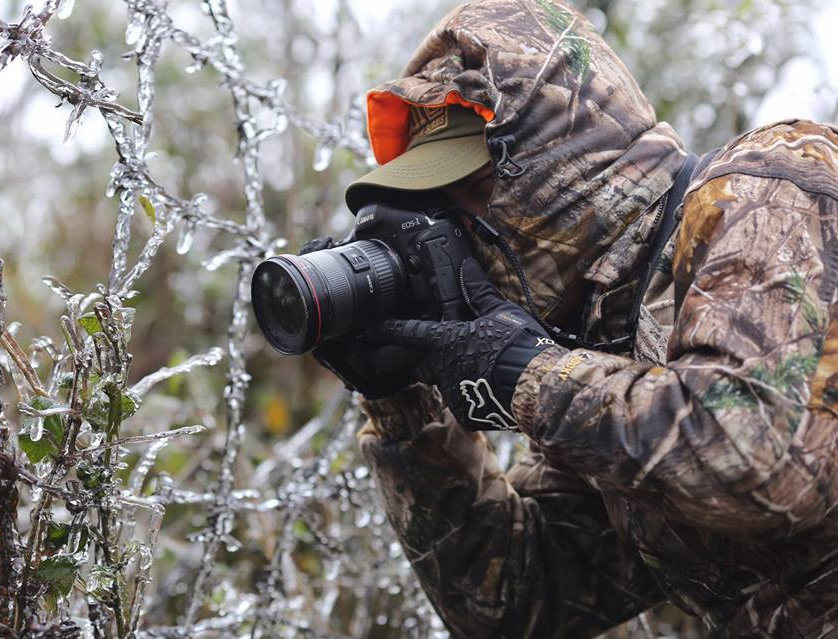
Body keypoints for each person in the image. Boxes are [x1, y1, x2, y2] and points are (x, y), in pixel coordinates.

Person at [314, 0, 838, 637]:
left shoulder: (772, 185)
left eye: (468, 192)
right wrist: (401, 407)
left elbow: (761, 453)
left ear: (563, 156)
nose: (454, 235)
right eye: (434, 210)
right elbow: (515, 602)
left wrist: (523, 373)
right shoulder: (603, 344)